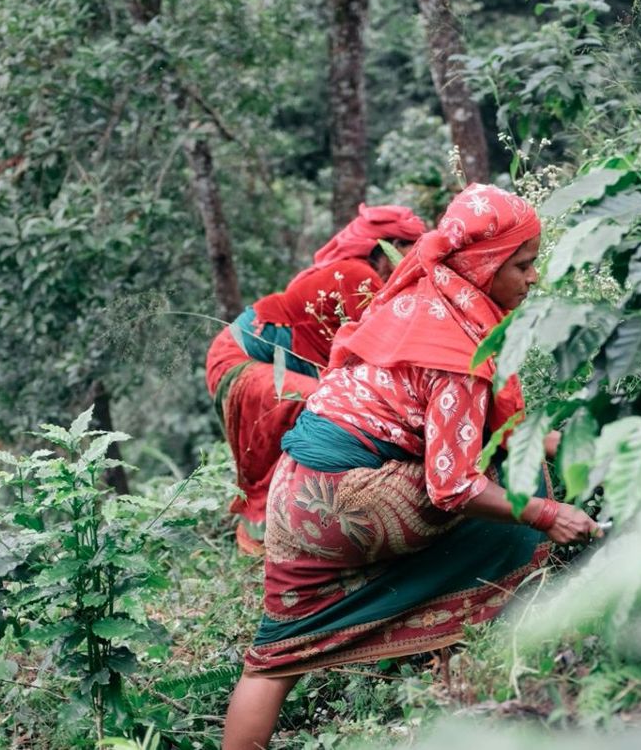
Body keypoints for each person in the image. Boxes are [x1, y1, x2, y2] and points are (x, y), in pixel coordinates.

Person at [221, 185, 602, 750]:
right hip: (350, 495)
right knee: (508, 509)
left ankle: (439, 673)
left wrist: (554, 440)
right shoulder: (459, 350)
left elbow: (434, 419)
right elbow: (451, 486)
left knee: (271, 660)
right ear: (485, 264)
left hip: (294, 492)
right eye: (522, 265)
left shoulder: (417, 298)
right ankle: (459, 679)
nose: (532, 279)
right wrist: (548, 514)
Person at [205, 204, 426, 554]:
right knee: (316, 405)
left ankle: (294, 524)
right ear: (388, 246)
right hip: (240, 359)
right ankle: (269, 532)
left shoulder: (362, 275)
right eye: (411, 248)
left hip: (260, 357)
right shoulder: (357, 275)